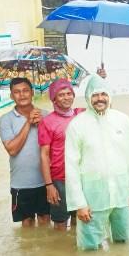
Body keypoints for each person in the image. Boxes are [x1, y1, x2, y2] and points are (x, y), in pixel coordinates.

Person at [64, 76, 129, 250]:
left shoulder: (122, 120)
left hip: (121, 194)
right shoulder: (77, 125)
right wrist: (79, 204)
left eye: (104, 94)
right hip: (92, 199)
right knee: (89, 248)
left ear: (110, 96)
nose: (100, 99)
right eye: (95, 95)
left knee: (124, 244)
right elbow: (71, 167)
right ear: (88, 98)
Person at [0, 77, 50, 227]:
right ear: (11, 96)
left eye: (26, 90)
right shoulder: (6, 120)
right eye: (17, 92)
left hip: (46, 182)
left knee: (46, 223)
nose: (22, 95)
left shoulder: (46, 115)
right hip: (21, 184)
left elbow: (55, 148)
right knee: (27, 226)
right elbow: (12, 150)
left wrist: (42, 126)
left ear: (32, 92)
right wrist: (28, 122)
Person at [38, 79, 86, 230]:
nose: (67, 97)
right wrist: (49, 185)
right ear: (53, 98)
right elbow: (44, 155)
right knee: (60, 224)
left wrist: (100, 80)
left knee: (80, 218)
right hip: (59, 179)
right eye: (61, 95)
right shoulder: (47, 122)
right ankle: (59, 252)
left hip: (81, 176)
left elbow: (104, 107)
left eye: (69, 93)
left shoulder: (82, 114)